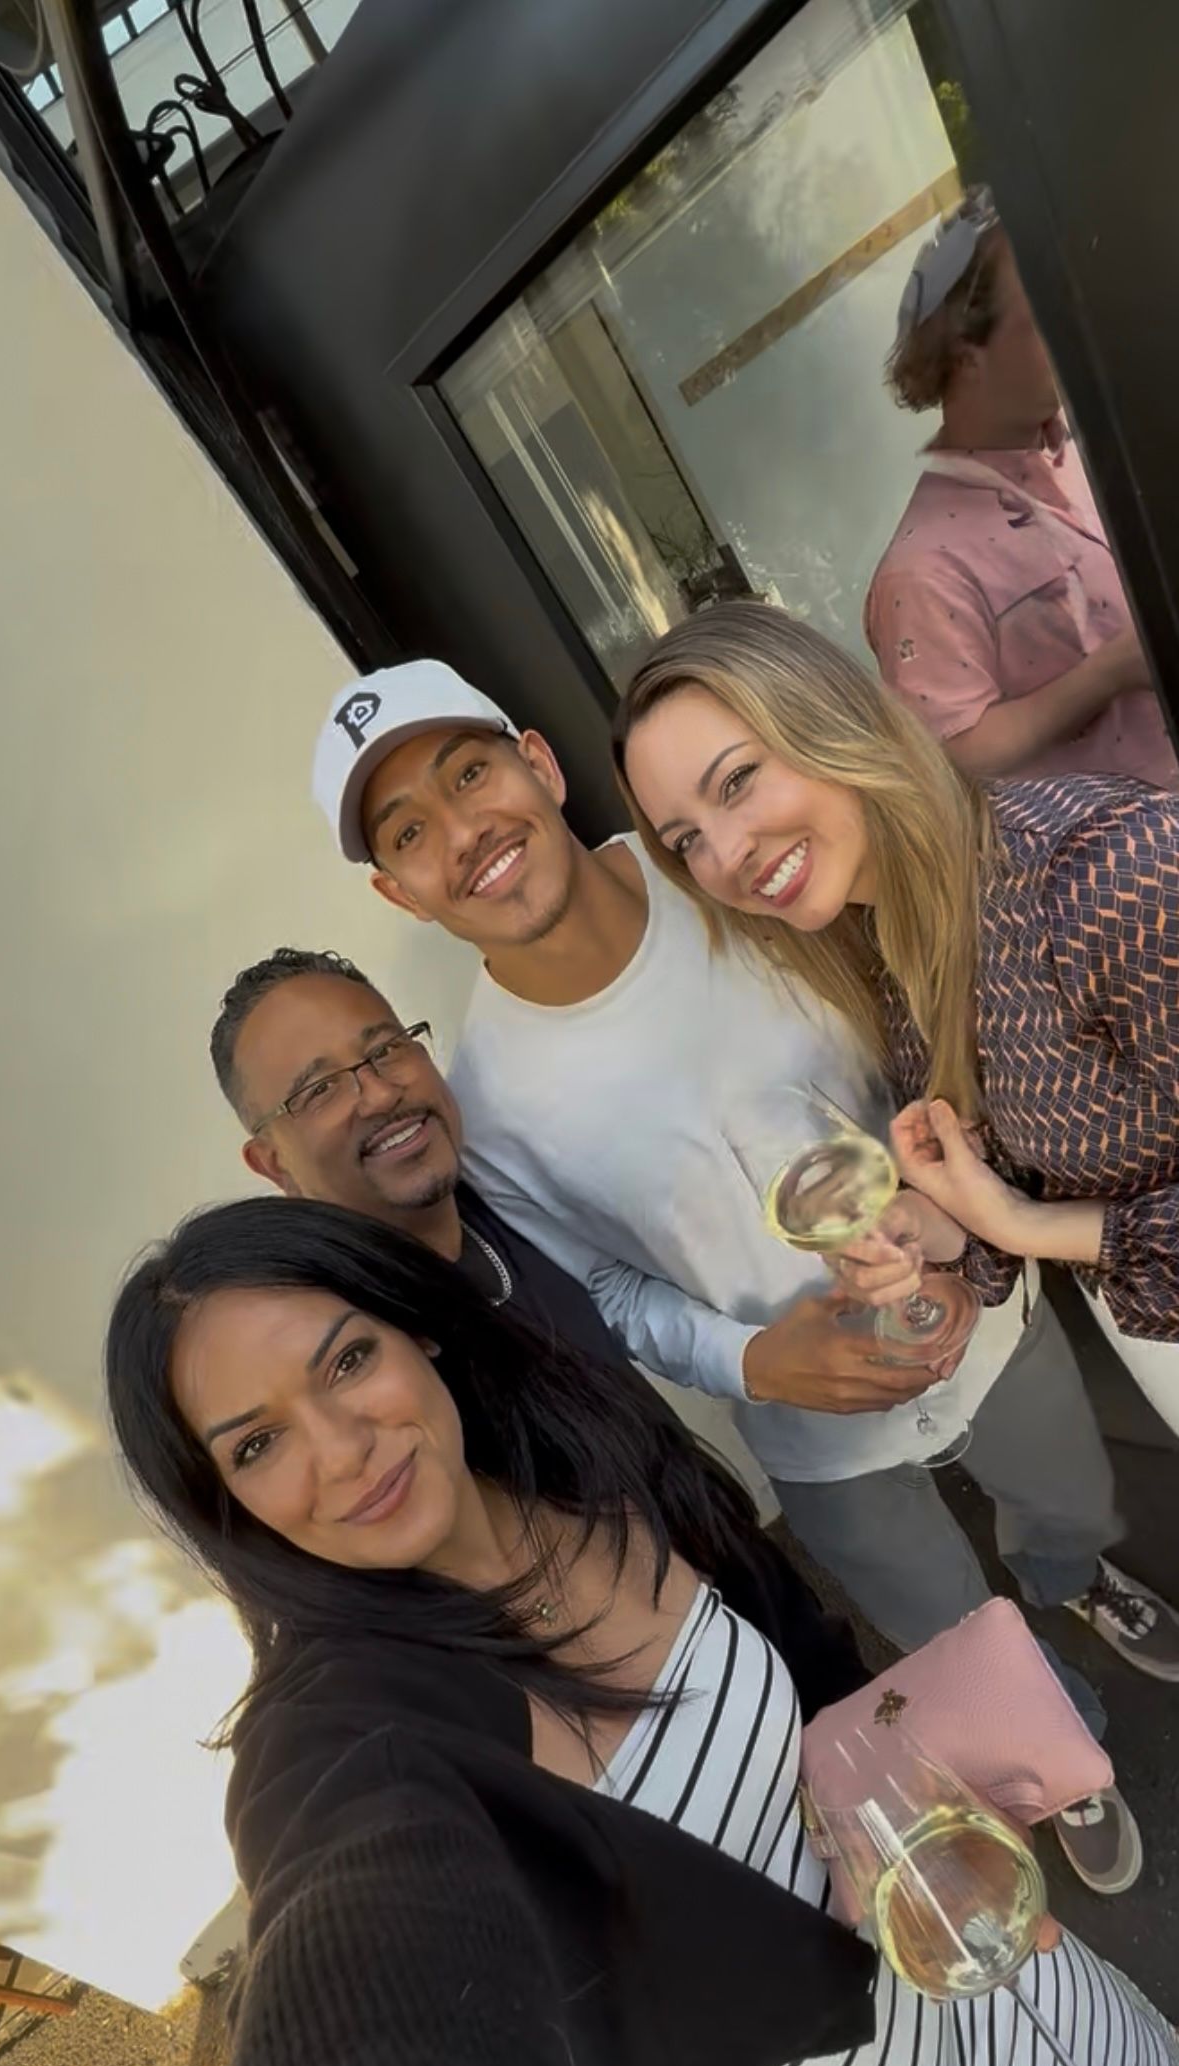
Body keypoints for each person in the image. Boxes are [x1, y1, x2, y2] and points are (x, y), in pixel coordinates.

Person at [105, 1198, 1178, 2066]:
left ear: (415, 1326)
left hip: (1016, 2021)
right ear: (227, 1505)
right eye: (257, 1442)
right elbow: (357, 1957)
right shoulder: (348, 1734)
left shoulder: (596, 1475)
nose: (340, 1451)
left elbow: (805, 1696)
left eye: (345, 1360)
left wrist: (919, 1816)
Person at [309, 656, 1144, 1892]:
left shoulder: (737, 870)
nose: (464, 832)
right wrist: (760, 1358)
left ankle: (1077, 1582)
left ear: (535, 762)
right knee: (945, 1624)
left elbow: (917, 1020)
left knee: (1067, 1498)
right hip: (812, 1429)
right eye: (411, 831)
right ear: (399, 889)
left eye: (470, 771)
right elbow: (602, 1293)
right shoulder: (483, 1109)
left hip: (979, 1309)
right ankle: (1065, 1740)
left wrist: (961, 1226)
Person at [613, 598, 1179, 1641]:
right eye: (686, 838)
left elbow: (1057, 1210)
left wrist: (1030, 1231)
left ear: (835, 722)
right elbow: (1042, 1167)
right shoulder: (901, 941)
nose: (729, 853)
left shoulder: (1102, 871)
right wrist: (941, 1228)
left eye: (738, 779)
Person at [865, 186, 1176, 792]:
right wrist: (1108, 673)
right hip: (1139, 868)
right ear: (968, 353)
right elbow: (954, 755)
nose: (1073, 327)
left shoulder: (1091, 449)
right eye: (1042, 318)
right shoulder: (921, 568)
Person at [208, 944, 626, 1368]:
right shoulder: (349, 1351)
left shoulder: (502, 1183)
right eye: (321, 1089)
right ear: (273, 1162)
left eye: (386, 1050)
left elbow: (622, 1297)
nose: (381, 1094)